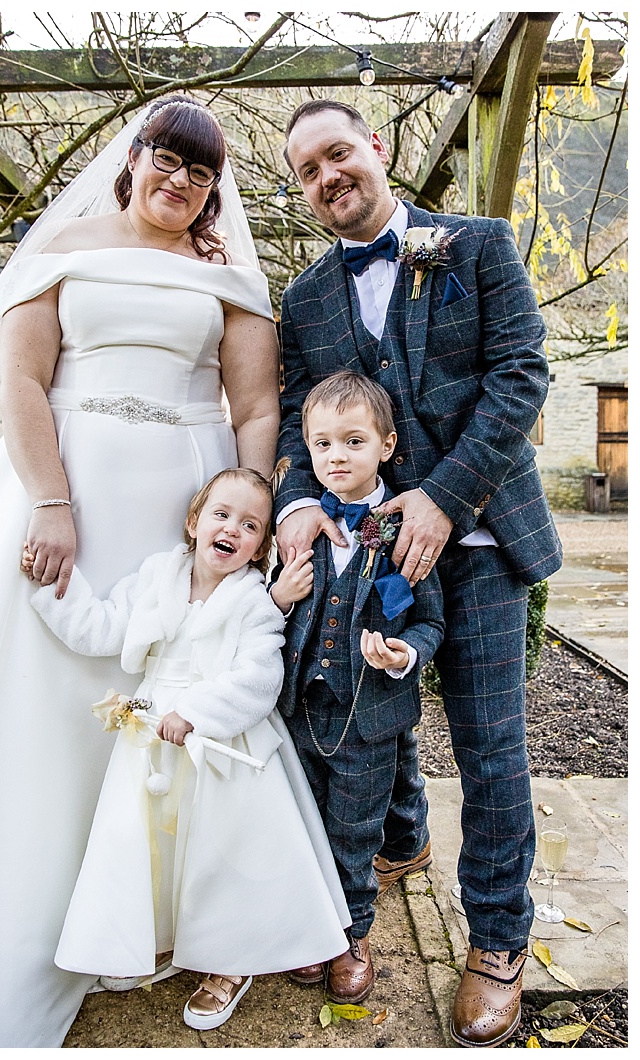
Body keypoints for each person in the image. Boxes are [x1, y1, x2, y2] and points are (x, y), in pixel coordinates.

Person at [0, 97, 280, 1047]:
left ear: (214, 192)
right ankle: (29, 918)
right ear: (133, 158)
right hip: (68, 492)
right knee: (46, 697)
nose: (181, 181)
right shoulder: (62, 250)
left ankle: (148, 913)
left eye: (202, 174)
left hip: (180, 503)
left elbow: (252, 411)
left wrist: (244, 510)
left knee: (161, 681)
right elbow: (22, 382)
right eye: (168, 160)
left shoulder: (228, 279)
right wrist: (51, 499)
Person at [274, 99, 558, 1048]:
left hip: (477, 548)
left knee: (486, 748)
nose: (327, 178)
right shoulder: (306, 298)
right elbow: (288, 415)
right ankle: (401, 841)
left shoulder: (476, 246)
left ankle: (499, 944)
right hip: (358, 559)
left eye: (339, 153)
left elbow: (521, 375)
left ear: (378, 149)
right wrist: (295, 505)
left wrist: (442, 497)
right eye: (307, 170)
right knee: (358, 711)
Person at [29, 468, 350, 1032]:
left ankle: (230, 961)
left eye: (251, 525)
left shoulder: (254, 602)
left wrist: (197, 713)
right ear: (194, 521)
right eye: (221, 514)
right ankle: (157, 937)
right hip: (151, 736)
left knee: (222, 852)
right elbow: (104, 627)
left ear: (262, 546)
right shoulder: (159, 576)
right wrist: (52, 587)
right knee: (152, 843)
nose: (232, 529)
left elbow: (258, 678)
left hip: (222, 742)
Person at [273, 372, 448, 1015]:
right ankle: (310, 926)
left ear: (387, 444)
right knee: (305, 822)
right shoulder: (301, 526)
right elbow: (277, 615)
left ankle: (351, 936)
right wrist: (274, 596)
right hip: (301, 713)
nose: (336, 457)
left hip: (370, 719)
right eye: (322, 444)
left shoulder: (406, 528)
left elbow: (430, 621)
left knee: (352, 830)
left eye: (352, 441)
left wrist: (407, 655)